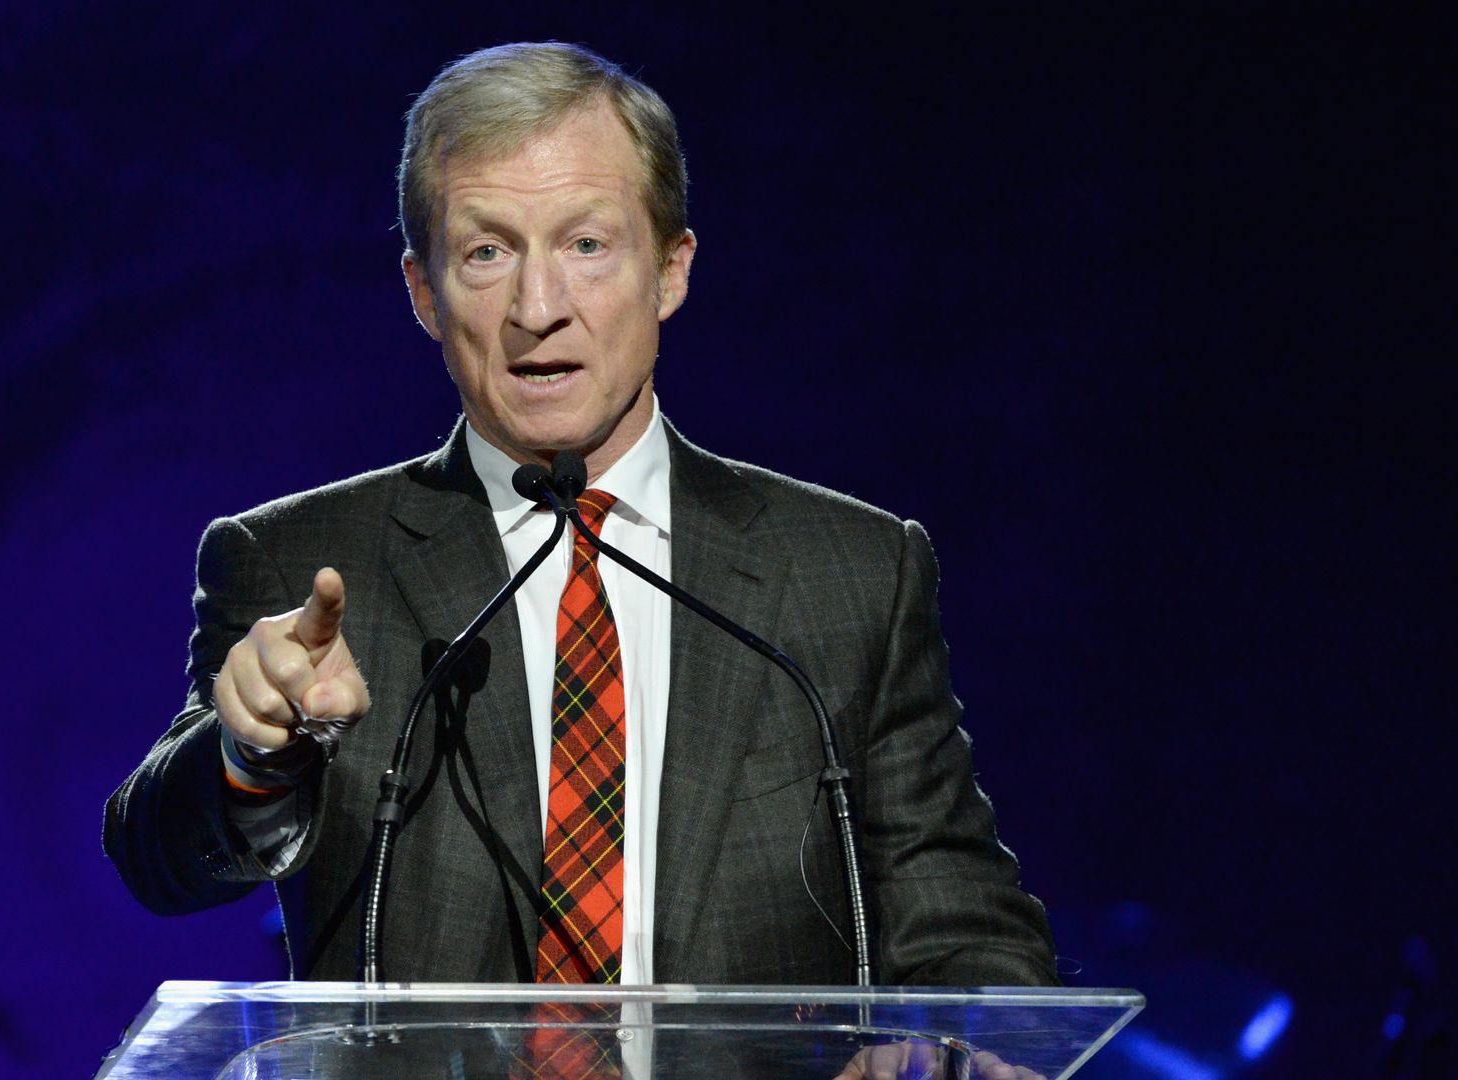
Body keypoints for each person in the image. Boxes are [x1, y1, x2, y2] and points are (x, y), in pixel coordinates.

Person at [105, 41, 1057, 990]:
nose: (537, 305)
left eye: (586, 245)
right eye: (486, 253)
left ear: (672, 269)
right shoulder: (299, 563)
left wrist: (944, 1043)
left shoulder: (851, 572)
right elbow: (158, 861)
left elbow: (964, 931)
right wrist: (250, 758)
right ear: (424, 294)